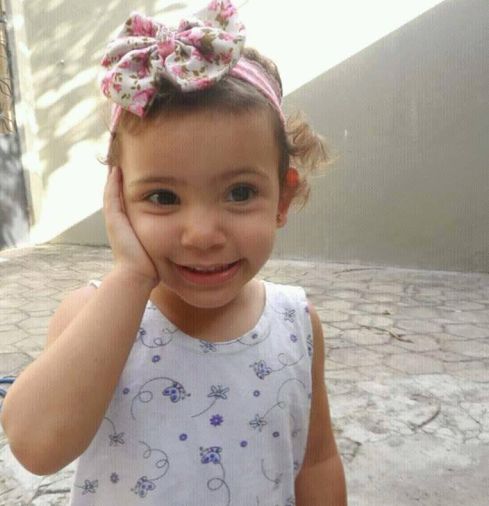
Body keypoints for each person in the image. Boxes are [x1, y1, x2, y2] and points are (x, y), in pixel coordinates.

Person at [0, 1, 347, 504]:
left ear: (283, 198)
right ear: (120, 200)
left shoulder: (296, 322)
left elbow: (316, 460)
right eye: (163, 197)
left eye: (240, 192)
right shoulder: (92, 316)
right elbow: (35, 448)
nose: (202, 234)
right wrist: (129, 277)